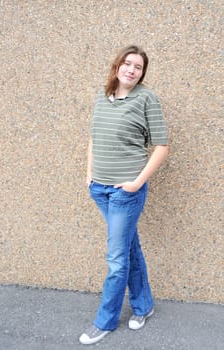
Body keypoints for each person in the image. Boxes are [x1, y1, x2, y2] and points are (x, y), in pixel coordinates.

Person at [79, 44, 168, 345]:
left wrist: (137, 182)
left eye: (138, 67)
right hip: (100, 189)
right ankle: (143, 306)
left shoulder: (147, 99)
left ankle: (104, 322)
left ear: (142, 73)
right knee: (128, 249)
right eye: (127, 63)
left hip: (125, 192)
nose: (131, 69)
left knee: (116, 260)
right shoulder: (102, 99)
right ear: (117, 66)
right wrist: (89, 173)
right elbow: (94, 137)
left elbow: (161, 147)